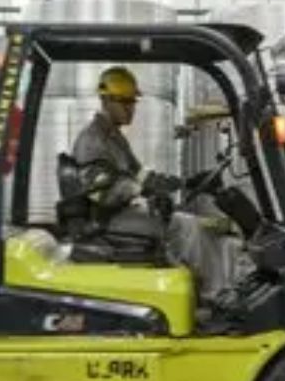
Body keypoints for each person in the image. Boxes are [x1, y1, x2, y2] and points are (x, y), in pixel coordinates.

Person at [69, 66, 239, 298]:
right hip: (104, 220)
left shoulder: (113, 138)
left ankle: (194, 287)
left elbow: (141, 175)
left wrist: (184, 183)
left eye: (133, 102)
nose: (131, 108)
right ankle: (215, 294)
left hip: (117, 213)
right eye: (125, 102)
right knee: (188, 227)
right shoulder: (93, 141)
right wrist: (141, 191)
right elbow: (101, 192)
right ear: (106, 101)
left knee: (181, 222)